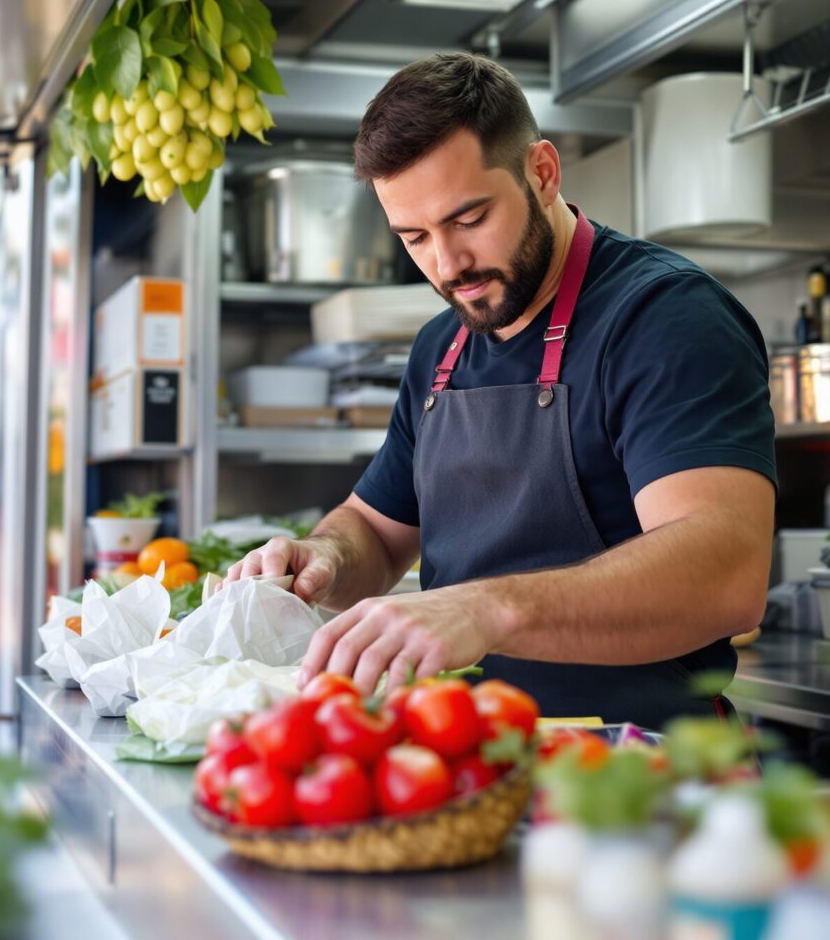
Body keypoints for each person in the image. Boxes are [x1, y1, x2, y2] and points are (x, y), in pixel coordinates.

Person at [225, 53, 777, 727]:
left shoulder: (665, 316)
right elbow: (375, 528)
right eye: (415, 237)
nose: (447, 264)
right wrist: (324, 558)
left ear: (541, 173)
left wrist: (486, 609)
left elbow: (727, 572)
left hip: (640, 763)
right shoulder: (441, 346)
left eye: (469, 219)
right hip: (467, 754)